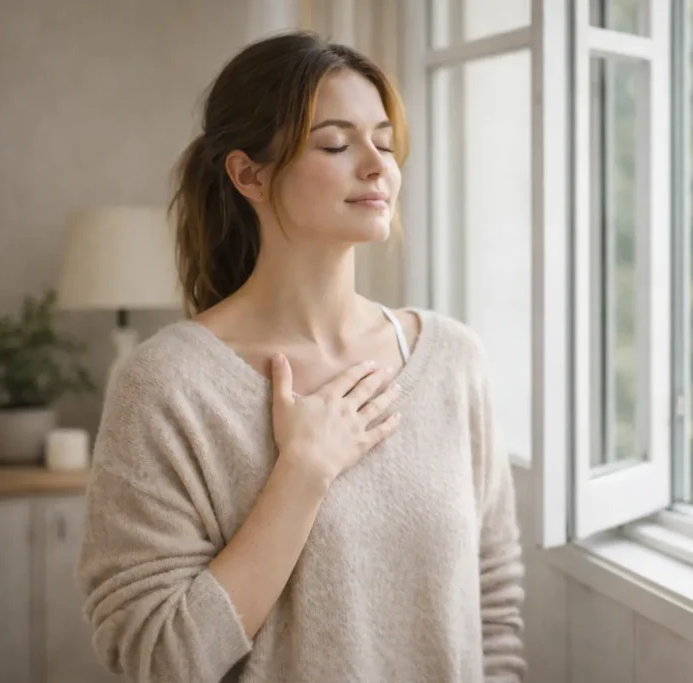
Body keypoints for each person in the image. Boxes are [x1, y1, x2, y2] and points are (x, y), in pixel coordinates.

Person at [75, 30, 525, 683]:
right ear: (248, 173)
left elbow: (496, 613)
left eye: (385, 142)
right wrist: (303, 472)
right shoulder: (169, 385)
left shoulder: (454, 360)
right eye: (337, 144)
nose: (377, 165)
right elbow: (159, 656)